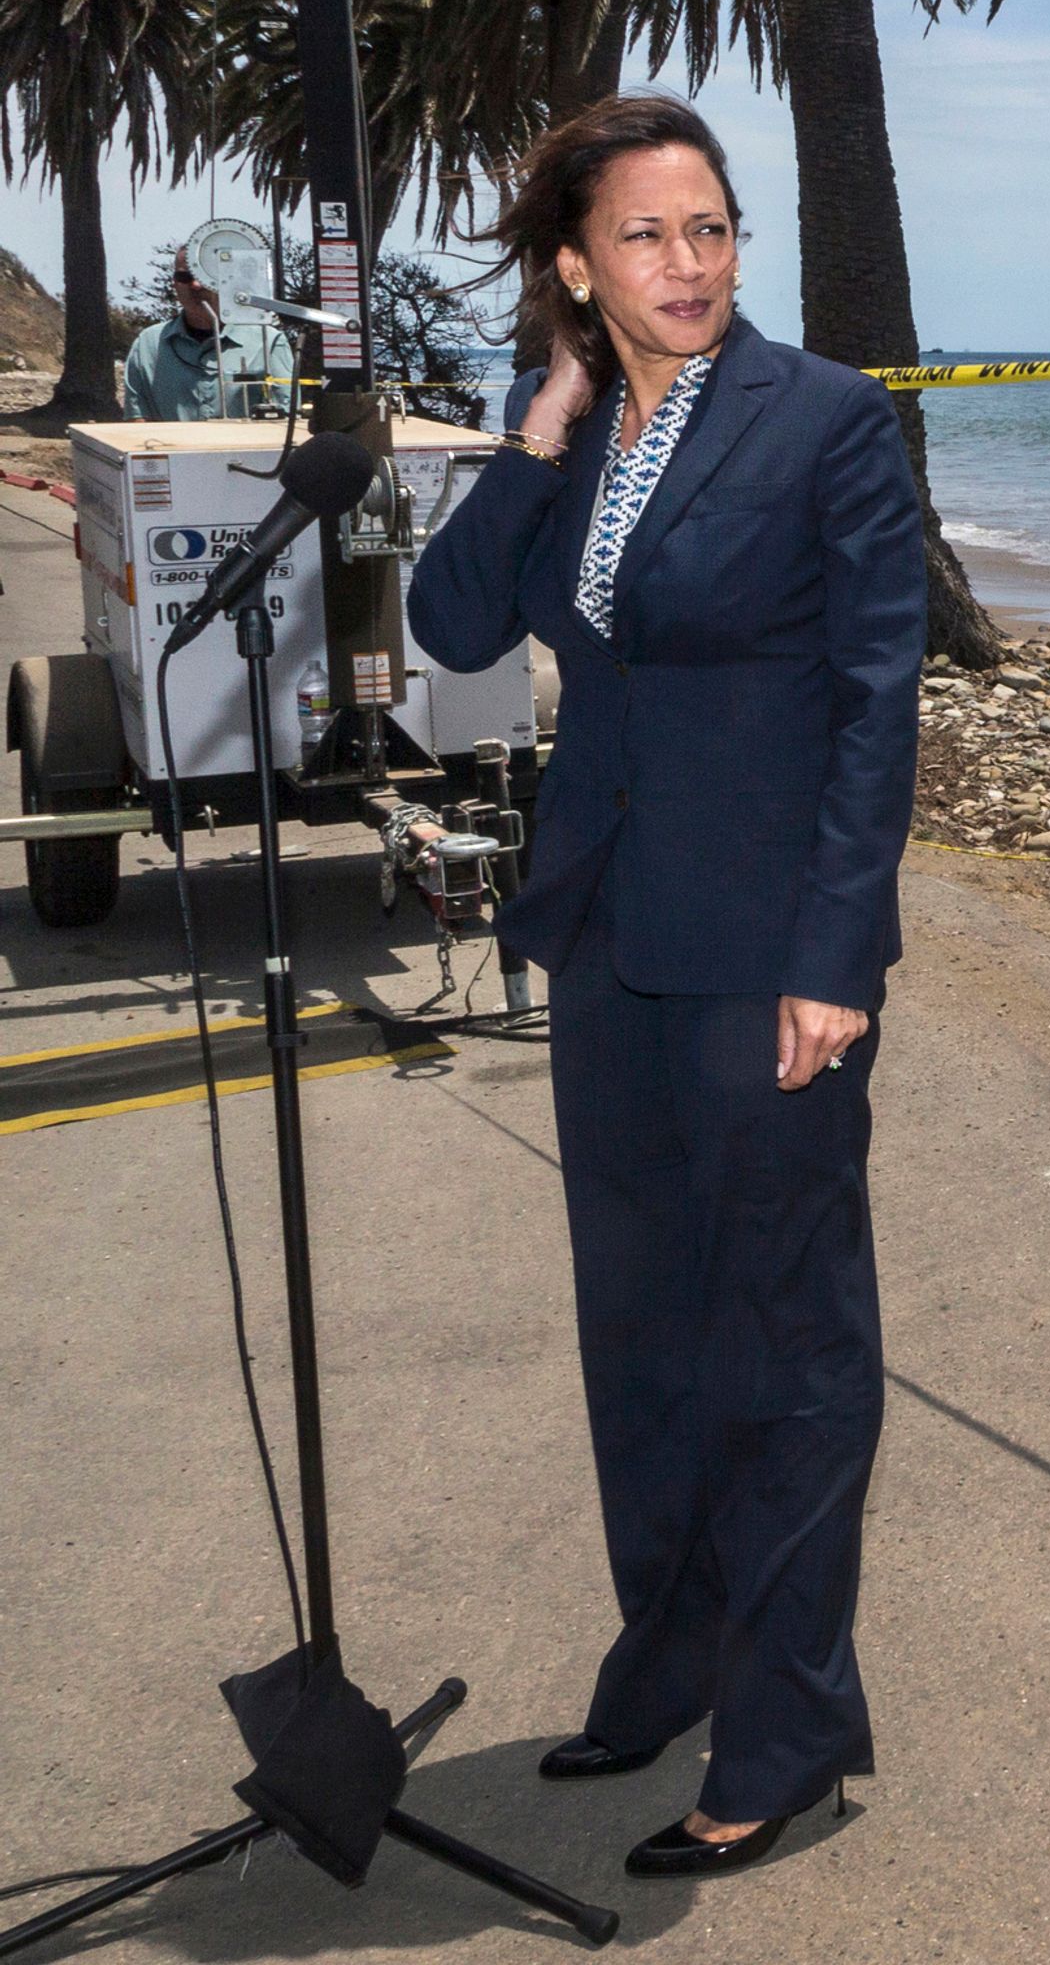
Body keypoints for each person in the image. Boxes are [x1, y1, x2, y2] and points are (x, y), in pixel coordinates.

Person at [408, 94, 926, 1883]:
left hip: (768, 956)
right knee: (641, 1330)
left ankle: (787, 1736)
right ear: (573, 267)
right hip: (612, 934)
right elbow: (458, 627)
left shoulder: (828, 424)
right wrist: (540, 429)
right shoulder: (568, 430)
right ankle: (671, 1660)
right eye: (645, 235)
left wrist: (837, 956)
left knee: (784, 1344)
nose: (689, 263)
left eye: (709, 229)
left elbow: (878, 703)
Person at [120, 257, 293, 419]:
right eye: (185, 276)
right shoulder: (148, 343)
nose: (196, 285)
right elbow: (138, 420)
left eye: (206, 275)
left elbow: (287, 418)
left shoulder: (269, 341)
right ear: (174, 283)